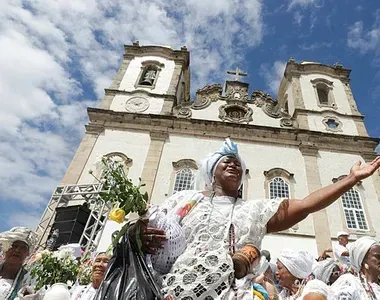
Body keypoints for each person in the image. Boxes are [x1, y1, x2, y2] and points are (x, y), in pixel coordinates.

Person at [132, 139, 380, 299]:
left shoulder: (255, 211)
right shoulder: (185, 200)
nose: (233, 165)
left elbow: (305, 205)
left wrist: (351, 180)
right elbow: (150, 229)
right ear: (211, 171)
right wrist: (140, 235)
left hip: (234, 293)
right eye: (226, 161)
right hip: (176, 289)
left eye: (238, 164)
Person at [0, 227, 38, 300]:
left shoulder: (30, 281)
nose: (17, 250)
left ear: (28, 253)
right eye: (14, 246)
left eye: (23, 248)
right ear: (6, 248)